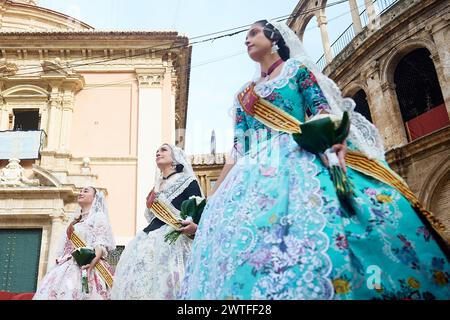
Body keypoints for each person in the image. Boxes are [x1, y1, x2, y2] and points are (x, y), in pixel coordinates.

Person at [180, 20, 450, 300]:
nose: (246, 40)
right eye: (245, 36)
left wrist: (333, 140)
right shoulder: (243, 96)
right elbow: (238, 148)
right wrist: (212, 199)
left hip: (298, 158)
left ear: (274, 39)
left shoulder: (297, 71)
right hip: (249, 176)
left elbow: (321, 110)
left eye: (254, 33)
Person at [111, 143, 202, 299]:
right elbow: (151, 216)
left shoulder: (187, 181)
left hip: (175, 240)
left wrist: (196, 228)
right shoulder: (155, 188)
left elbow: (199, 210)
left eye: (163, 150)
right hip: (148, 238)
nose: (158, 153)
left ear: (175, 158)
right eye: (157, 151)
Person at [33, 187, 116, 300]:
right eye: (80, 191)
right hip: (66, 267)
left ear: (94, 197)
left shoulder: (98, 217)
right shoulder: (74, 221)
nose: (81, 193)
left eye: (85, 191)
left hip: (89, 265)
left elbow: (100, 244)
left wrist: (91, 263)